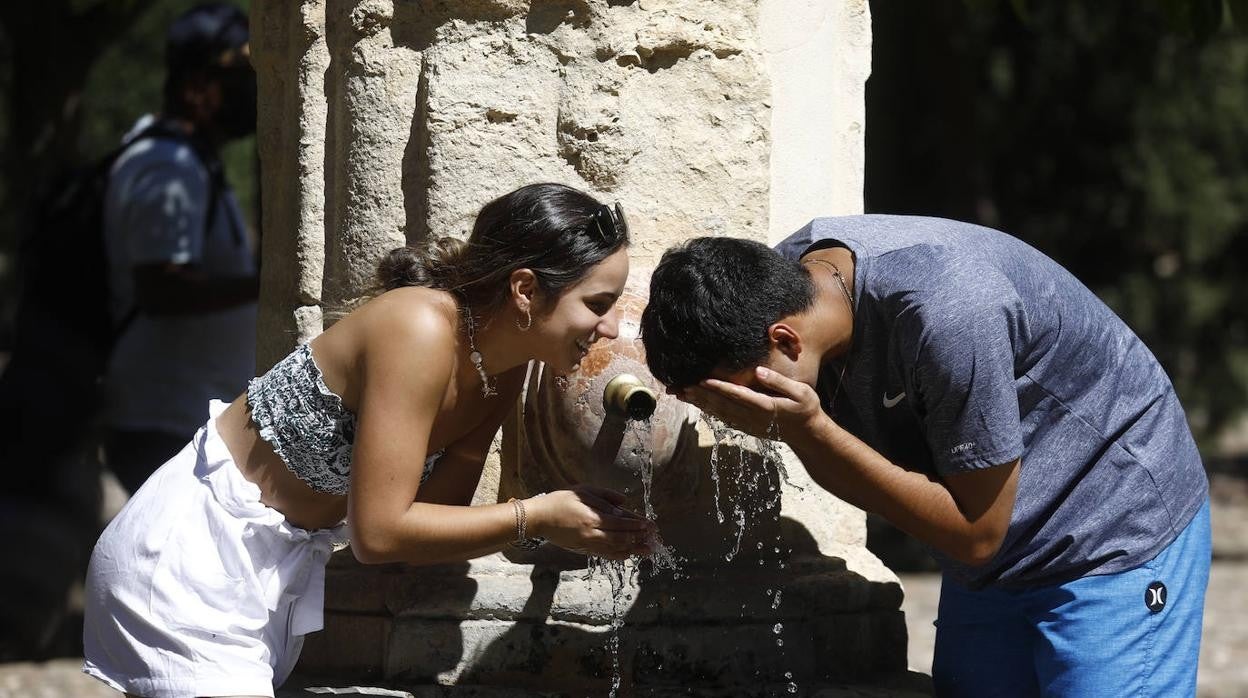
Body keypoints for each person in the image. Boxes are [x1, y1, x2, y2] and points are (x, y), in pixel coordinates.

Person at [83, 182, 655, 698]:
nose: (608, 328)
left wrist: (570, 526)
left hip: (271, 582)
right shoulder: (418, 327)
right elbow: (379, 535)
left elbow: (426, 529)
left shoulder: (501, 373)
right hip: (190, 555)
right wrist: (540, 516)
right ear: (526, 289)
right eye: (597, 305)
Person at [639, 215, 1210, 697]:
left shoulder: (950, 313)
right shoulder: (787, 281)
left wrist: (807, 430)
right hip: (993, 552)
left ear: (786, 341)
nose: (736, 413)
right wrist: (800, 428)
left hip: (1110, 529)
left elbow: (974, 531)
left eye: (742, 392)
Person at [101, 2, 261, 494]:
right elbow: (161, 287)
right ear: (196, 86)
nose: (250, 93)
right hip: (166, 419)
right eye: (236, 80)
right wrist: (267, 286)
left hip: (182, 415)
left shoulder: (192, 163)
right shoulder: (168, 166)